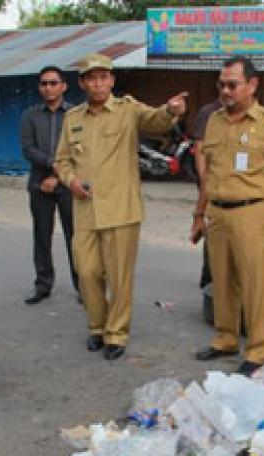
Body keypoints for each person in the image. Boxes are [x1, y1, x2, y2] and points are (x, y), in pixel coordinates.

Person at [53, 53, 188, 361]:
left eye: (103, 77)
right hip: (85, 209)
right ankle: (97, 327)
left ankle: (116, 333)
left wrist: (171, 110)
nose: (98, 83)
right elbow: (61, 160)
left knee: (119, 276)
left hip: (121, 209)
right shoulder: (72, 118)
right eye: (92, 78)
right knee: (86, 272)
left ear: (111, 80)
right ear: (83, 83)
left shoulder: (128, 110)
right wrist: (70, 180)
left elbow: (155, 120)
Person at [192, 56, 264, 377]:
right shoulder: (214, 121)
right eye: (221, 84)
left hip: (254, 212)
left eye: (232, 85)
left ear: (252, 85)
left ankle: (258, 348)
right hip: (218, 213)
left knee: (254, 284)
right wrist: (199, 215)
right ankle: (225, 338)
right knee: (222, 281)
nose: (225, 91)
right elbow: (209, 174)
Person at [20, 66, 78, 305]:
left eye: (53, 83)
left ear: (64, 86)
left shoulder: (76, 114)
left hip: (70, 184)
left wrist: (59, 173)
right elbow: (28, 148)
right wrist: (51, 164)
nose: (48, 88)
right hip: (39, 184)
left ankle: (84, 287)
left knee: (76, 237)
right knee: (42, 237)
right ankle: (43, 285)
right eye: (44, 83)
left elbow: (80, 150)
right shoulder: (30, 116)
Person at [191, 97, 223, 289]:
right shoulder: (209, 112)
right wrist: (205, 182)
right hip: (211, 183)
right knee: (211, 231)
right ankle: (209, 279)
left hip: (232, 185)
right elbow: (200, 150)